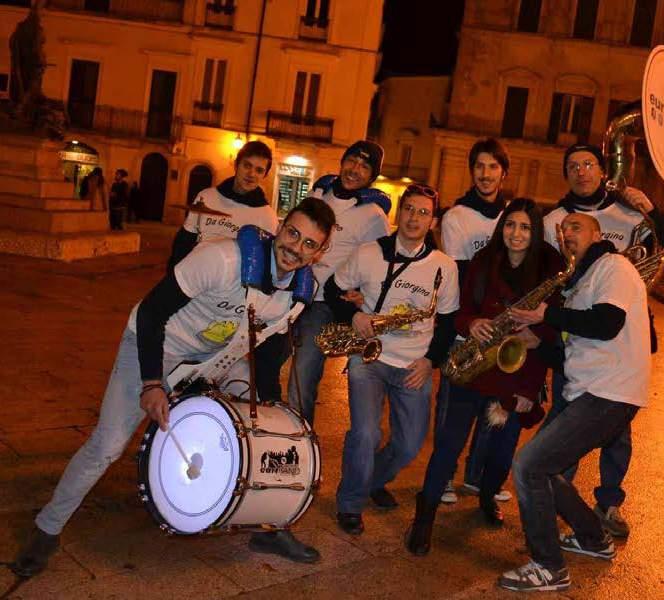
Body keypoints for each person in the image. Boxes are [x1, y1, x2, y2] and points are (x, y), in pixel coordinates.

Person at [11, 197, 336, 578]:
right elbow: (152, 311)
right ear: (280, 227)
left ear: (320, 252)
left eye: (309, 244)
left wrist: (269, 404)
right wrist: (152, 383)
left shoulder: (298, 295)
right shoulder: (222, 259)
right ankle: (47, 528)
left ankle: (271, 524)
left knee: (272, 433)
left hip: (216, 357)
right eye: (293, 233)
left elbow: (268, 351)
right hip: (156, 345)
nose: (295, 248)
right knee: (108, 445)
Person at [497, 211, 650, 592]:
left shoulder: (612, 266)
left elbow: (607, 323)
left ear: (598, 233)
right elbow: (577, 352)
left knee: (529, 465)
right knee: (545, 469)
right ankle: (592, 538)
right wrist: (538, 344)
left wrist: (546, 313)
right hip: (591, 390)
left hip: (608, 392)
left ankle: (549, 566)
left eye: (575, 227)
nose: (566, 233)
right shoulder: (579, 285)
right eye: (562, 230)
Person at [541, 143, 664, 538]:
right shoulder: (554, 217)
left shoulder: (627, 210)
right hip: (575, 334)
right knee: (563, 420)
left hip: (624, 336)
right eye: (572, 166)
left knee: (618, 432)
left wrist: (652, 209)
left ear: (602, 170)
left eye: (588, 164)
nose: (581, 172)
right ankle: (559, 506)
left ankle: (608, 504)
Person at [406, 198, 563, 556]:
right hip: (473, 368)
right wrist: (472, 323)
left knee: (500, 453)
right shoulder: (483, 261)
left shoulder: (549, 268)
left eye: (525, 227)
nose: (516, 234)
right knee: (448, 446)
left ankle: (488, 497)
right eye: (510, 225)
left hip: (516, 374)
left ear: (535, 231)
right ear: (501, 228)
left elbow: (551, 331)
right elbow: (460, 312)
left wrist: (529, 387)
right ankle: (425, 515)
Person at [323, 184, 459, 536]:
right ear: (400, 213)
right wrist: (353, 316)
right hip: (369, 358)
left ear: (433, 221)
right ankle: (350, 503)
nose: (415, 218)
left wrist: (431, 361)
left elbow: (447, 323)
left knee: (409, 445)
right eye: (409, 209)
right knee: (365, 433)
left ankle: (371, 480)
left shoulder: (445, 267)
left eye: (423, 212)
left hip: (415, 366)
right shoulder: (369, 252)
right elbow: (331, 291)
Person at [287, 141, 392, 426]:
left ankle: (300, 439)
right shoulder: (318, 192)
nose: (355, 170)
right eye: (352, 161)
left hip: (322, 303)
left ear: (372, 176)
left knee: (302, 373)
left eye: (364, 166)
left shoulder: (374, 215)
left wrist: (363, 295)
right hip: (288, 291)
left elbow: (381, 262)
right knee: (265, 360)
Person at [437, 137, 512, 505]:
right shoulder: (455, 216)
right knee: (455, 401)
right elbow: (461, 273)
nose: (485, 174)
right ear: (472, 171)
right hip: (470, 318)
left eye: (493, 167)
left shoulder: (511, 215)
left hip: (503, 322)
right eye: (479, 167)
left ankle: (476, 476)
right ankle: (445, 475)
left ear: (504, 173)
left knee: (492, 405)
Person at [167, 140, 278, 269]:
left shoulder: (267, 216)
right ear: (236, 165)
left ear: (265, 175)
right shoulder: (206, 197)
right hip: (195, 276)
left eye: (259, 170)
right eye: (247, 166)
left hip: (231, 286)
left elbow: (264, 263)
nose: (251, 174)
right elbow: (184, 241)